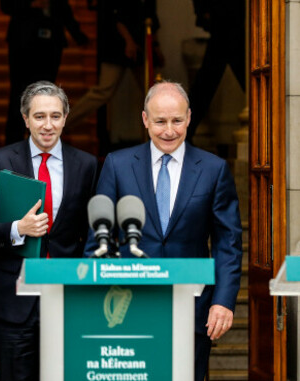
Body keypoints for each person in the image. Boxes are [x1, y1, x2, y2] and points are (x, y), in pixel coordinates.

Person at [85, 81, 242, 381]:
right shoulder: (117, 165)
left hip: (194, 308)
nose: (169, 131)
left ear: (189, 117)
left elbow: (228, 242)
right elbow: (98, 237)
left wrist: (223, 301)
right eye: (160, 121)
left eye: (177, 121)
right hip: (129, 304)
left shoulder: (214, 169)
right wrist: (96, 298)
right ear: (145, 119)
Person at [0, 81, 98, 380]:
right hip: (15, 301)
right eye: (39, 116)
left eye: (55, 116)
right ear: (25, 118)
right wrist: (17, 228)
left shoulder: (86, 165)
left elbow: (93, 231)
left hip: (65, 296)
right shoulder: (1, 161)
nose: (48, 125)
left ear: (66, 118)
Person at [65, 0, 161, 154]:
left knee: (153, 93)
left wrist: (155, 47)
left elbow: (150, 18)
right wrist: (129, 41)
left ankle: (160, 138)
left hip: (140, 43)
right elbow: (116, 16)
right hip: (117, 45)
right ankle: (64, 124)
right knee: (104, 91)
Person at [1, 0, 89, 144]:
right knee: (19, 93)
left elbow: (63, 8)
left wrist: (77, 34)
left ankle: (39, 142)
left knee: (44, 95)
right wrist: (30, 4)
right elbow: (6, 5)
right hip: (23, 43)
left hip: (51, 43)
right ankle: (14, 143)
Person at [186, 0, 246, 142]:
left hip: (228, 18)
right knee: (208, 80)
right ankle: (185, 132)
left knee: (207, 81)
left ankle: (185, 131)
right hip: (226, 18)